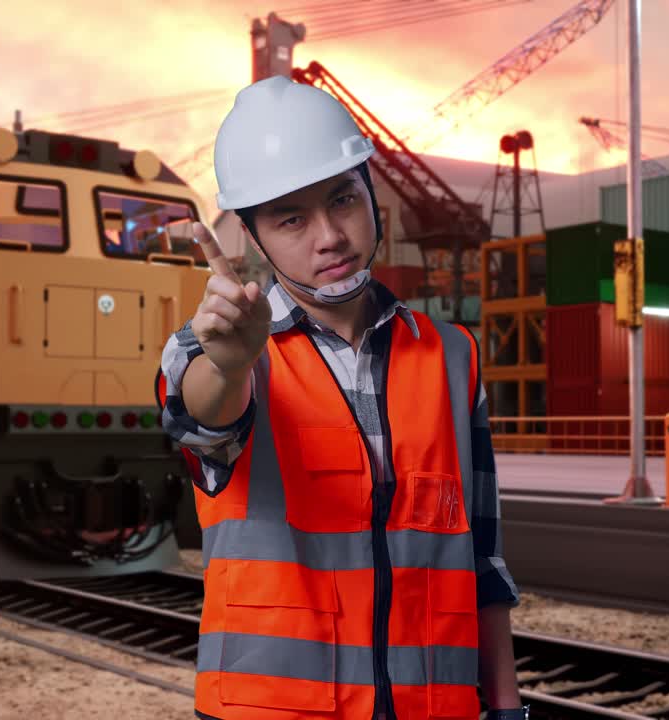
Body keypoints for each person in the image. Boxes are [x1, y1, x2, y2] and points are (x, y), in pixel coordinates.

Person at [158, 75, 527, 720]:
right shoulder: (214, 349)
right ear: (253, 235)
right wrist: (230, 365)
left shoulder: (452, 356)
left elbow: (481, 562)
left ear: (371, 196)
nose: (329, 235)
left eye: (343, 199)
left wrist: (506, 708)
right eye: (291, 218)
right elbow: (203, 419)